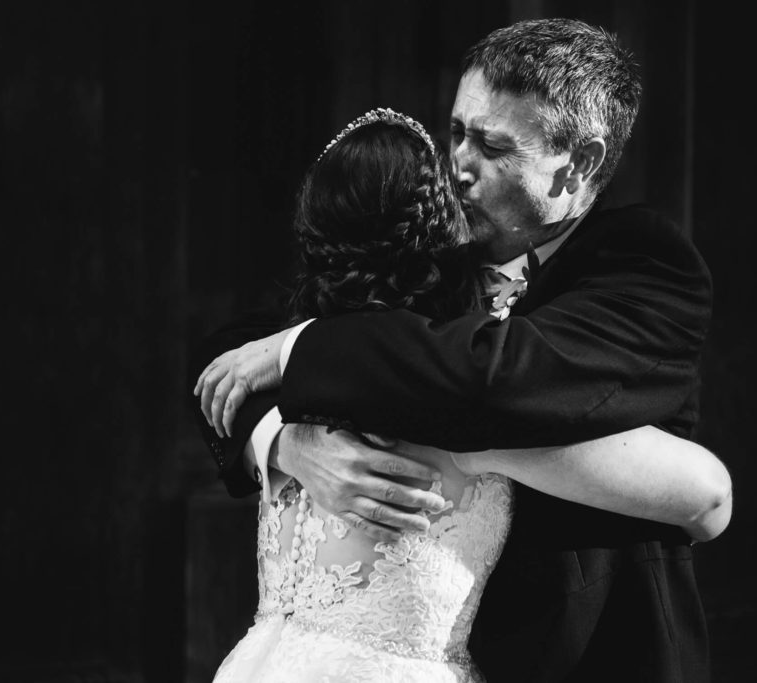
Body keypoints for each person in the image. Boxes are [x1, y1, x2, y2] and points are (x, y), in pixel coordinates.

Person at [195, 19, 722, 682]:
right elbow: (229, 352)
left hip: (594, 661)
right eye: (457, 133)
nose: (459, 166)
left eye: (493, 146)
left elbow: (497, 376)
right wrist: (284, 441)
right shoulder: (432, 265)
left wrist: (298, 350)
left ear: (580, 162)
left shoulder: (645, 268)